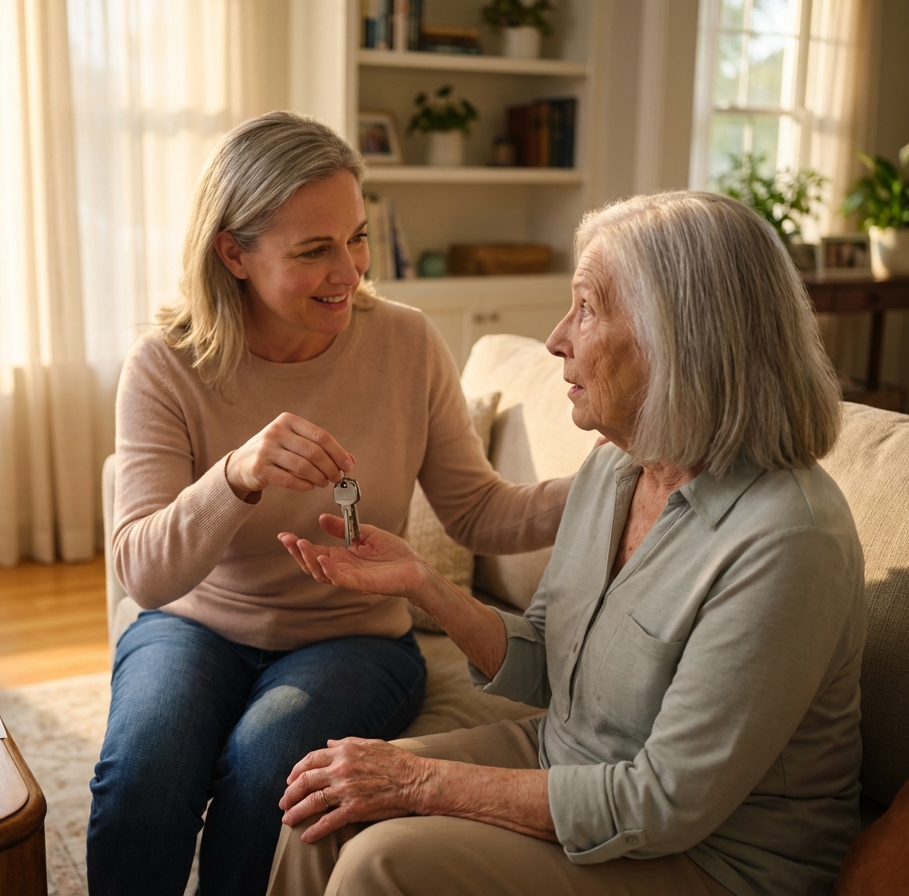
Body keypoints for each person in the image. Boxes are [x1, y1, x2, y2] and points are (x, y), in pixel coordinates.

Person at [270, 191, 864, 896]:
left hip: (716, 858)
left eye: (585, 308)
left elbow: (662, 803)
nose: (556, 338)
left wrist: (419, 781)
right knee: (323, 803)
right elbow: (551, 664)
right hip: (568, 757)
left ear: (678, 338)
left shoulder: (788, 541)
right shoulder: (619, 467)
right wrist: (421, 582)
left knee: (381, 861)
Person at [86, 111, 574, 896]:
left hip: (354, 640)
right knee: (142, 774)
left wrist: (604, 487)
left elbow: (478, 512)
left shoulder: (407, 343)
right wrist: (236, 475)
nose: (347, 270)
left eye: (357, 237)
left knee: (268, 777)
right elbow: (143, 575)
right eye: (314, 250)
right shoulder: (165, 364)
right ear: (233, 253)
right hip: (195, 625)